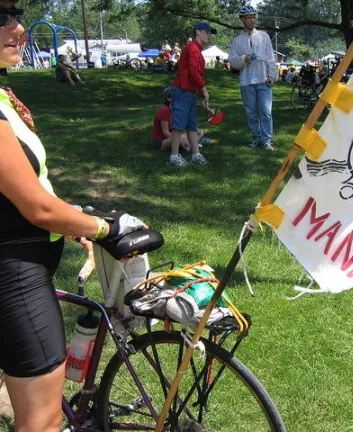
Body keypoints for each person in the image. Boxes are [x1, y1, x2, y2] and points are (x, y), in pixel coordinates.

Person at [0, 2, 146, 431]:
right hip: (14, 276)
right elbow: (36, 208)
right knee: (41, 422)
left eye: (15, 14)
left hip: (21, 262)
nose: (18, 27)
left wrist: (74, 221)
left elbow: (28, 188)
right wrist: (104, 229)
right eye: (1, 17)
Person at [229, 5, 278, 151]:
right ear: (243, 20)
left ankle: (267, 139)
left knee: (265, 110)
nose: (252, 20)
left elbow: (270, 57)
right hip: (246, 81)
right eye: (249, 18)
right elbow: (232, 61)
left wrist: (272, 75)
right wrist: (244, 59)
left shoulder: (264, 36)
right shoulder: (237, 40)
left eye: (254, 17)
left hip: (263, 79)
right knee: (251, 112)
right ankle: (256, 137)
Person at [168, 22, 215, 166]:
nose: (209, 35)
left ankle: (195, 154)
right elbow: (194, 72)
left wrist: (201, 93)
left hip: (189, 92)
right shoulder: (192, 48)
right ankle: (174, 157)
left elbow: (196, 74)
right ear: (198, 32)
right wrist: (204, 89)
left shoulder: (197, 50)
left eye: (210, 33)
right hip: (182, 91)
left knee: (191, 125)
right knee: (179, 124)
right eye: (207, 32)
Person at [152, 86, 206, 152]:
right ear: (169, 98)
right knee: (180, 138)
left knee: (199, 132)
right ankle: (191, 146)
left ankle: (189, 145)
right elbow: (166, 133)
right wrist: (181, 138)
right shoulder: (164, 110)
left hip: (174, 137)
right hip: (162, 141)